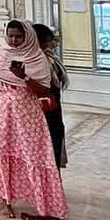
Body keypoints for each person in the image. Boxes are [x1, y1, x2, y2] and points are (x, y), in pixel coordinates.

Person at [0, 19, 68, 220]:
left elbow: (45, 91)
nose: (14, 40)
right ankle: (6, 198)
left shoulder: (37, 59)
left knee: (33, 155)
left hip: (27, 116)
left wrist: (24, 77)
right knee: (1, 154)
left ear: (27, 36)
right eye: (11, 36)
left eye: (18, 36)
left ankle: (42, 199)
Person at [33, 23, 70, 170]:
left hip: (52, 108)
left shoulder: (50, 59)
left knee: (53, 140)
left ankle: (54, 180)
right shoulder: (37, 61)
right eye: (48, 41)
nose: (53, 44)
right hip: (38, 111)